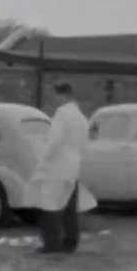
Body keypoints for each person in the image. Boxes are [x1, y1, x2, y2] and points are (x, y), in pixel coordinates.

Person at [28, 81, 97, 254]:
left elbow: (54, 142)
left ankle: (51, 243)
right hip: (74, 165)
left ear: (63, 95)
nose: (54, 99)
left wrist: (45, 161)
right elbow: (85, 140)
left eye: (56, 95)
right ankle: (71, 241)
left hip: (58, 164)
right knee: (68, 205)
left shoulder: (62, 114)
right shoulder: (80, 116)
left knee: (49, 203)